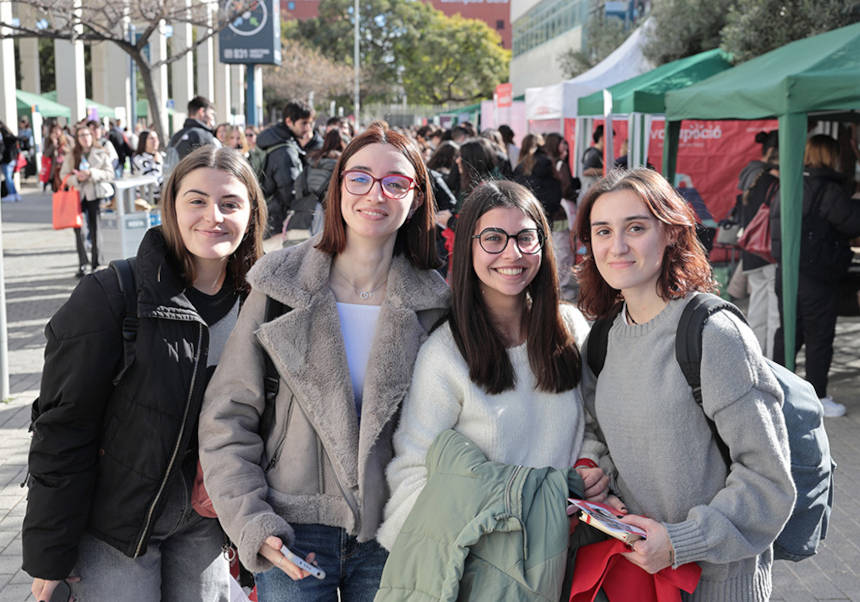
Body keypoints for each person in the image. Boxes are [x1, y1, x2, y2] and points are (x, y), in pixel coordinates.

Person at [197, 122, 449, 601]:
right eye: (359, 178)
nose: (375, 194)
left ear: (416, 199)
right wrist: (252, 521)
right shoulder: (279, 283)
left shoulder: (436, 302)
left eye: (396, 182)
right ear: (338, 187)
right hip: (290, 529)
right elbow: (227, 416)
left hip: (394, 528)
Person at [23, 146, 267, 602]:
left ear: (252, 214)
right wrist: (49, 553)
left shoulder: (260, 304)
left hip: (206, 527)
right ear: (171, 207)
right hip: (115, 527)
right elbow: (62, 426)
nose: (212, 215)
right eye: (196, 200)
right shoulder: (112, 293)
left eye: (230, 203)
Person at [575, 168, 795, 600]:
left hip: (718, 585)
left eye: (635, 228)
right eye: (603, 231)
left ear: (671, 233)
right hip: (634, 579)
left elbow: (769, 482)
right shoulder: (600, 340)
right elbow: (595, 432)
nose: (616, 246)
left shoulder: (713, 336)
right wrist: (602, 484)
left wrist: (680, 541)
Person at [378, 180, 607, 553]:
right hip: (488, 564)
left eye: (525, 237)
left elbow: (595, 425)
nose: (512, 253)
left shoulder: (572, 329)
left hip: (570, 553)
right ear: (468, 247)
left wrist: (589, 464)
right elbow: (413, 472)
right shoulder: (446, 353)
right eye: (494, 239)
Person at [772, 135, 860, 418]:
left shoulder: (790, 184)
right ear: (831, 156)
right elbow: (853, 223)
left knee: (789, 333)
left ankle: (776, 392)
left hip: (787, 271)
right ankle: (817, 396)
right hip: (818, 275)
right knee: (819, 336)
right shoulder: (829, 190)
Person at [733, 130, 780, 359]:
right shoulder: (775, 181)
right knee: (773, 317)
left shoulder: (751, 175)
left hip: (751, 252)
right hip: (770, 253)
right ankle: (771, 364)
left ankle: (754, 360)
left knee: (757, 313)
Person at [59, 123, 115, 277]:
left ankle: (97, 263)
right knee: (80, 231)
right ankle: (83, 263)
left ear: (92, 136)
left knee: (95, 228)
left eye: (87, 135)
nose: (85, 138)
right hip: (76, 196)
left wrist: (91, 173)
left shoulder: (101, 152)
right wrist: (76, 178)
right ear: (77, 138)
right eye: (81, 136)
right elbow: (63, 175)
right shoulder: (72, 154)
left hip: (94, 195)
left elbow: (110, 174)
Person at [256, 100, 314, 237]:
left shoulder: (272, 140)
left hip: (266, 216)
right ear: (289, 121)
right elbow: (290, 191)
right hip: (278, 222)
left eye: (310, 123)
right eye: (304, 123)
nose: (308, 128)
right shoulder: (285, 151)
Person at [165, 96, 219, 174]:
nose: (212, 118)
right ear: (202, 111)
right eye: (211, 114)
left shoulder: (176, 135)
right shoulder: (204, 135)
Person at [0, 119, 21, 202]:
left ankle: (11, 194)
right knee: (10, 177)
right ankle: (15, 194)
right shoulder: (9, 135)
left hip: (7, 160)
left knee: (8, 177)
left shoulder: (3, 135)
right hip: (12, 159)